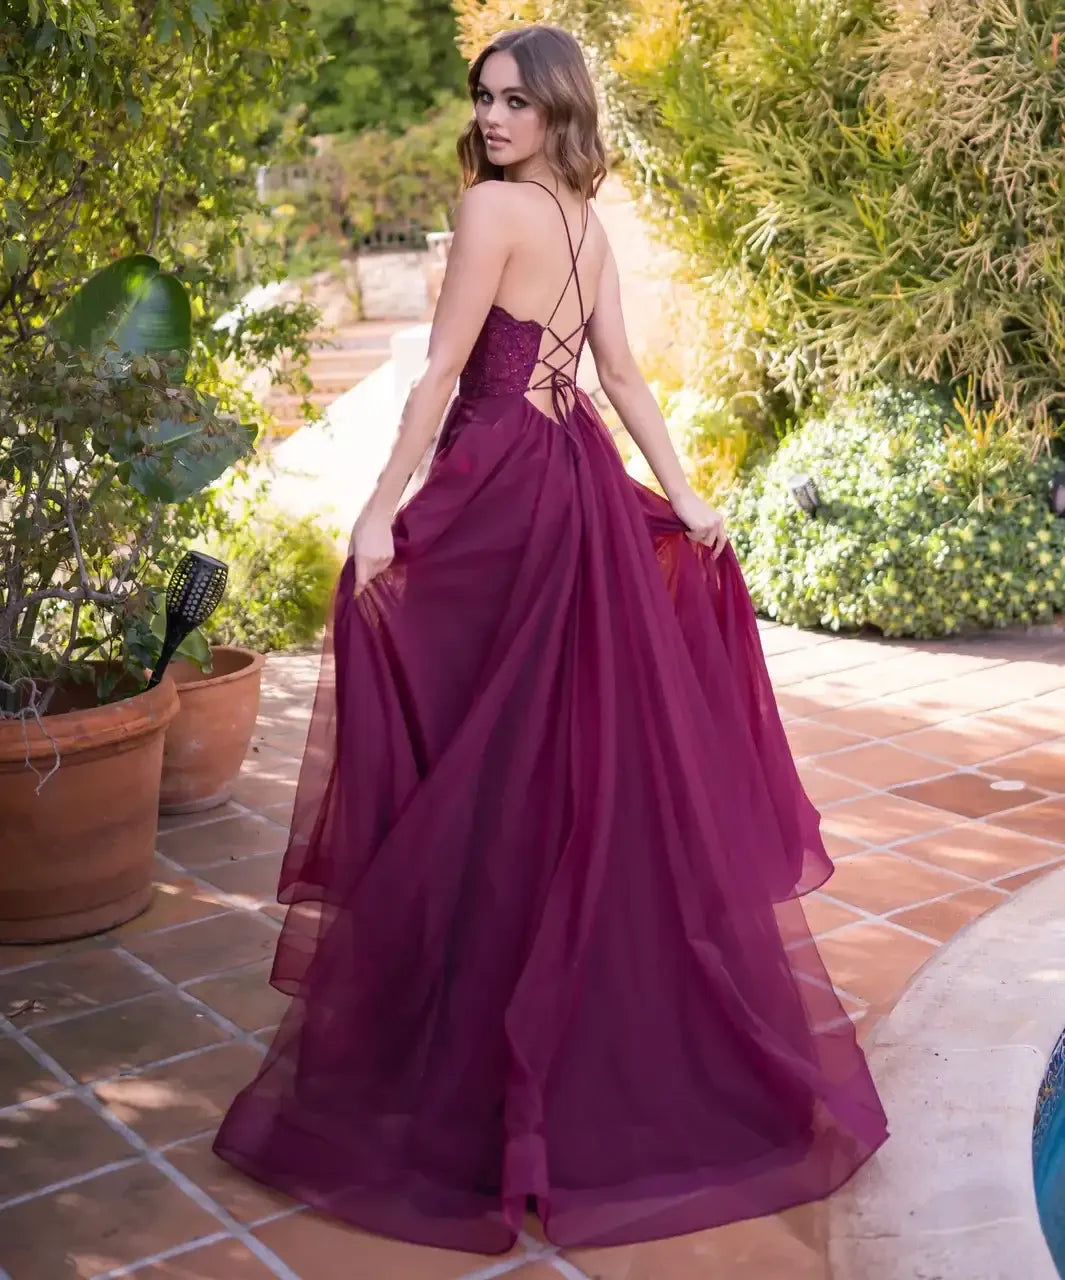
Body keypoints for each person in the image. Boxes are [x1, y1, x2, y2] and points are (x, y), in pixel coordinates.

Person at [214, 23, 888, 1255]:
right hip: (569, 478)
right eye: (483, 98)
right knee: (548, 757)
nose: (491, 118)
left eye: (515, 101)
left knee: (485, 753)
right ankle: (549, 1032)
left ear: (560, 110)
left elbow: (441, 374)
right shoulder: (583, 220)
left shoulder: (495, 212)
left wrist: (378, 510)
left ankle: (476, 1044)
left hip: (502, 483)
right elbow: (618, 379)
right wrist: (682, 494)